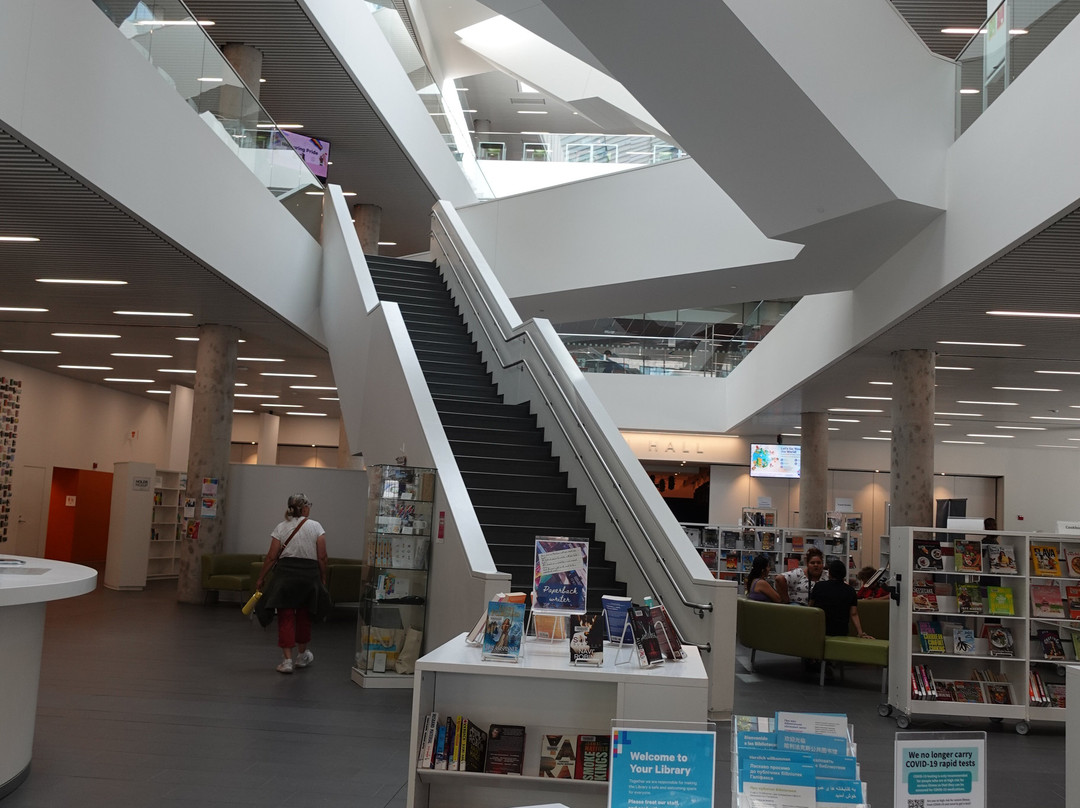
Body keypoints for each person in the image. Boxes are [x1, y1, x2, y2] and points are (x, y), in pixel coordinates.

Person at [254, 493, 330, 674]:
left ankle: (287, 661)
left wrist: (261, 577)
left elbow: (271, 557)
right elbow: (322, 557)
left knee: (285, 616)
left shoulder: (281, 527)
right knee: (304, 616)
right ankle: (302, 656)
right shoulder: (316, 527)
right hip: (308, 577)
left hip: (285, 576)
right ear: (304, 508)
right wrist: (323, 577)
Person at [810, 560, 873, 638]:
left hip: (820, 629)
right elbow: (854, 614)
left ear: (829, 573)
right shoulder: (850, 590)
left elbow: (811, 607)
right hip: (841, 631)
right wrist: (860, 633)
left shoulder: (819, 586)